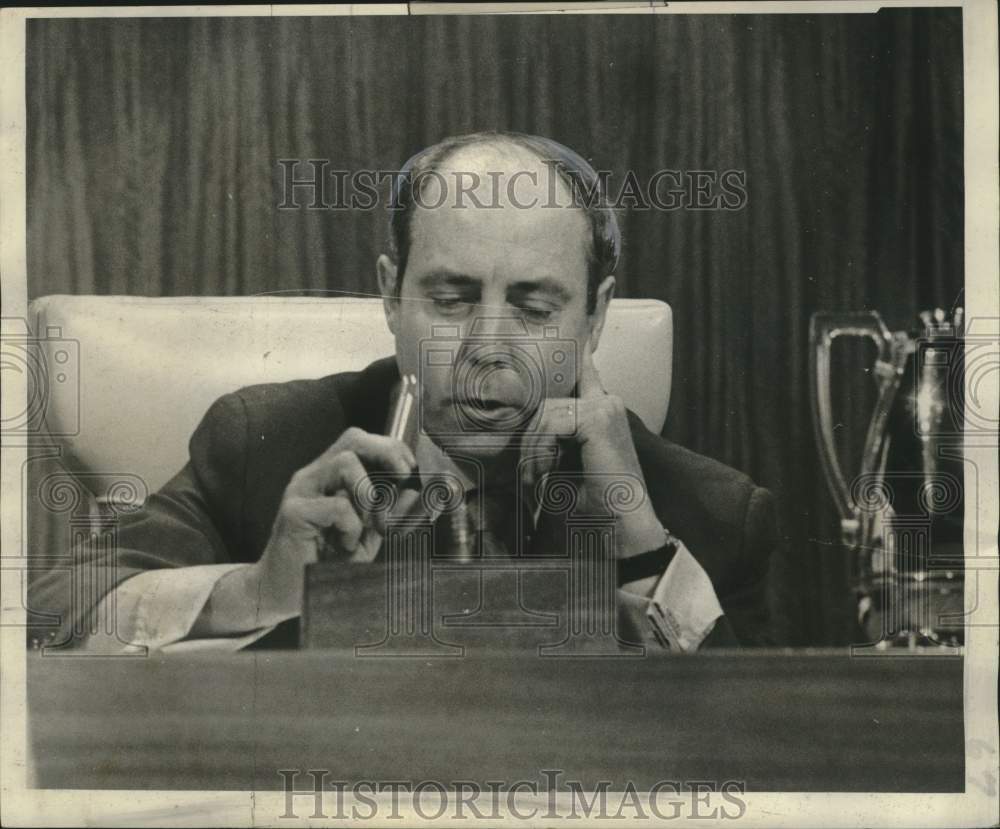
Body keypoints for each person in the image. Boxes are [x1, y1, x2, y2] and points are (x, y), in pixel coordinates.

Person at [28, 132, 777, 653]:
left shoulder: (706, 510)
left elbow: (780, 763)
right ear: (391, 296)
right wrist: (258, 589)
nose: (488, 346)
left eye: (534, 307)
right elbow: (52, 613)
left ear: (596, 317)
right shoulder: (264, 442)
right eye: (451, 298)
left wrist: (643, 556)